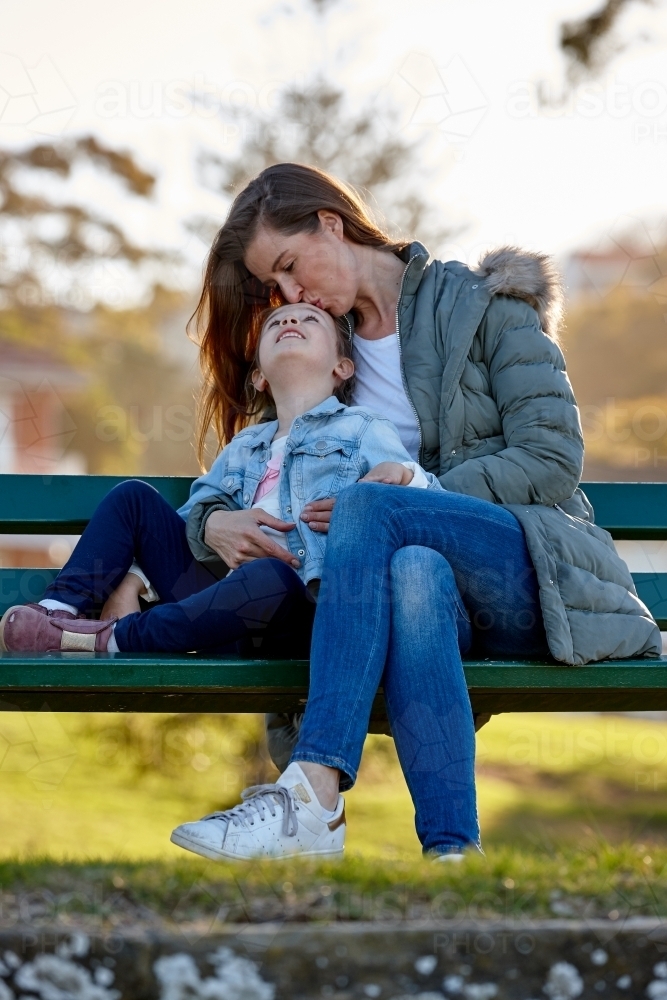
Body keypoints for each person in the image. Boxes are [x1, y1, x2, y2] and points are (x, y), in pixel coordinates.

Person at [169, 162, 661, 862]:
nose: (288, 293)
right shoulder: (317, 349)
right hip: (415, 602)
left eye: (287, 265)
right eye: (272, 288)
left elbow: (549, 457)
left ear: (330, 223)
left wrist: (420, 490)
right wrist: (209, 524)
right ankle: (453, 853)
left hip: (521, 572)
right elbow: (252, 476)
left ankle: (311, 797)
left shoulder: (482, 302)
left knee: (378, 509)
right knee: (415, 570)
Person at [0, 302, 439, 665]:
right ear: (260, 377)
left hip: (298, 612)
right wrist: (132, 579)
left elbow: (437, 506)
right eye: (276, 322)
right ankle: (55, 615)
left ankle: (114, 639)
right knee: (133, 498)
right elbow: (191, 522)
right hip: (216, 610)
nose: (290, 321)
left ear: (342, 367)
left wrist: (405, 476)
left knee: (268, 575)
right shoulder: (244, 446)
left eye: (310, 320)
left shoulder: (363, 428)